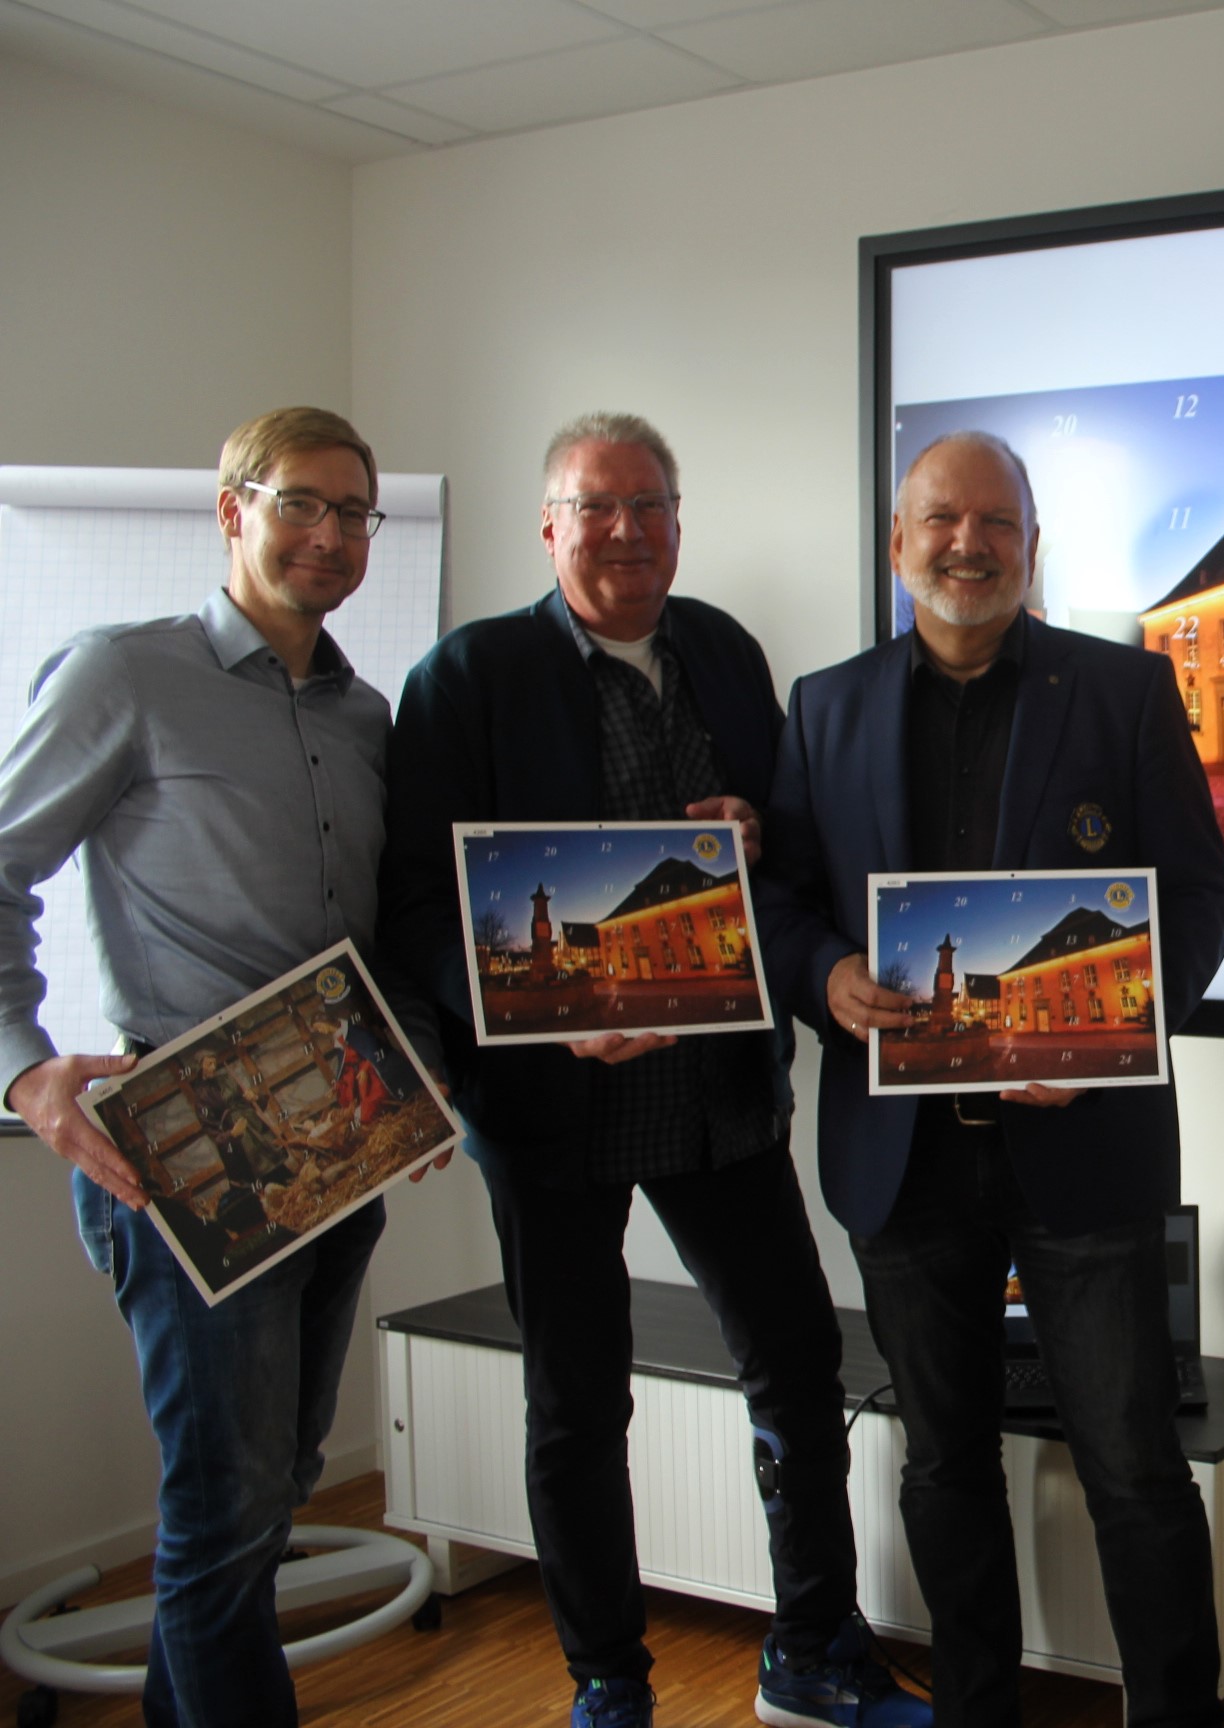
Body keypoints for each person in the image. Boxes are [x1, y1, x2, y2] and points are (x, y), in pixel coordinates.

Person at [376, 412, 927, 1728]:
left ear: (679, 522)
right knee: (577, 1405)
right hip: (552, 1107)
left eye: (652, 507)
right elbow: (417, 907)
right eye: (598, 507)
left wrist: (755, 825)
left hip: (717, 1094)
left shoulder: (726, 654)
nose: (627, 531)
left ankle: (810, 1652)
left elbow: (786, 855)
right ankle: (607, 1681)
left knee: (796, 1365)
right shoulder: (469, 675)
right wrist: (520, 1016)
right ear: (551, 524)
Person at [755, 430, 1224, 1728]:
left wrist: (1116, 1034)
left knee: (1134, 1469)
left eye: (998, 523)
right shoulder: (826, 704)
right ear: (898, 541)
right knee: (944, 1467)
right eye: (941, 520)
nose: (968, 545)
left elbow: (1197, 900)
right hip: (902, 1162)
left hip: (1084, 1145)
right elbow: (785, 902)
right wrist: (825, 978)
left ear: (1031, 544)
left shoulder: (1122, 694)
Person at [0, 406, 440, 1728]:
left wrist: (414, 1086)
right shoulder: (121, 677)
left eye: (353, 512)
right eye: (299, 503)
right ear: (230, 508)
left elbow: (380, 929)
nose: (330, 534)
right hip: (182, 1143)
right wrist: (25, 1071)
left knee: (277, 1481)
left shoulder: (367, 714)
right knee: (223, 1504)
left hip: (341, 1135)